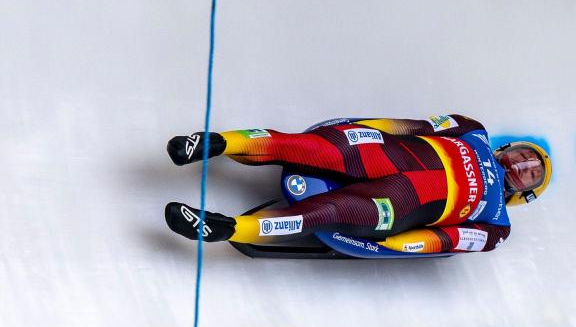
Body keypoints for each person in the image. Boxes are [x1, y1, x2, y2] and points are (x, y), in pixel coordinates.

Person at [164, 115, 551, 254]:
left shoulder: (497, 226)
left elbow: (448, 240)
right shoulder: (473, 130)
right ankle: (216, 142)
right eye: (525, 155)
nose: (523, 164)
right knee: (308, 147)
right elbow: (415, 126)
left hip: (400, 204)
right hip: (386, 152)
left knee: (324, 213)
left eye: (532, 172)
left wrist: (396, 245)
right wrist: (366, 129)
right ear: (510, 148)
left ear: (525, 192)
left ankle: (226, 228)